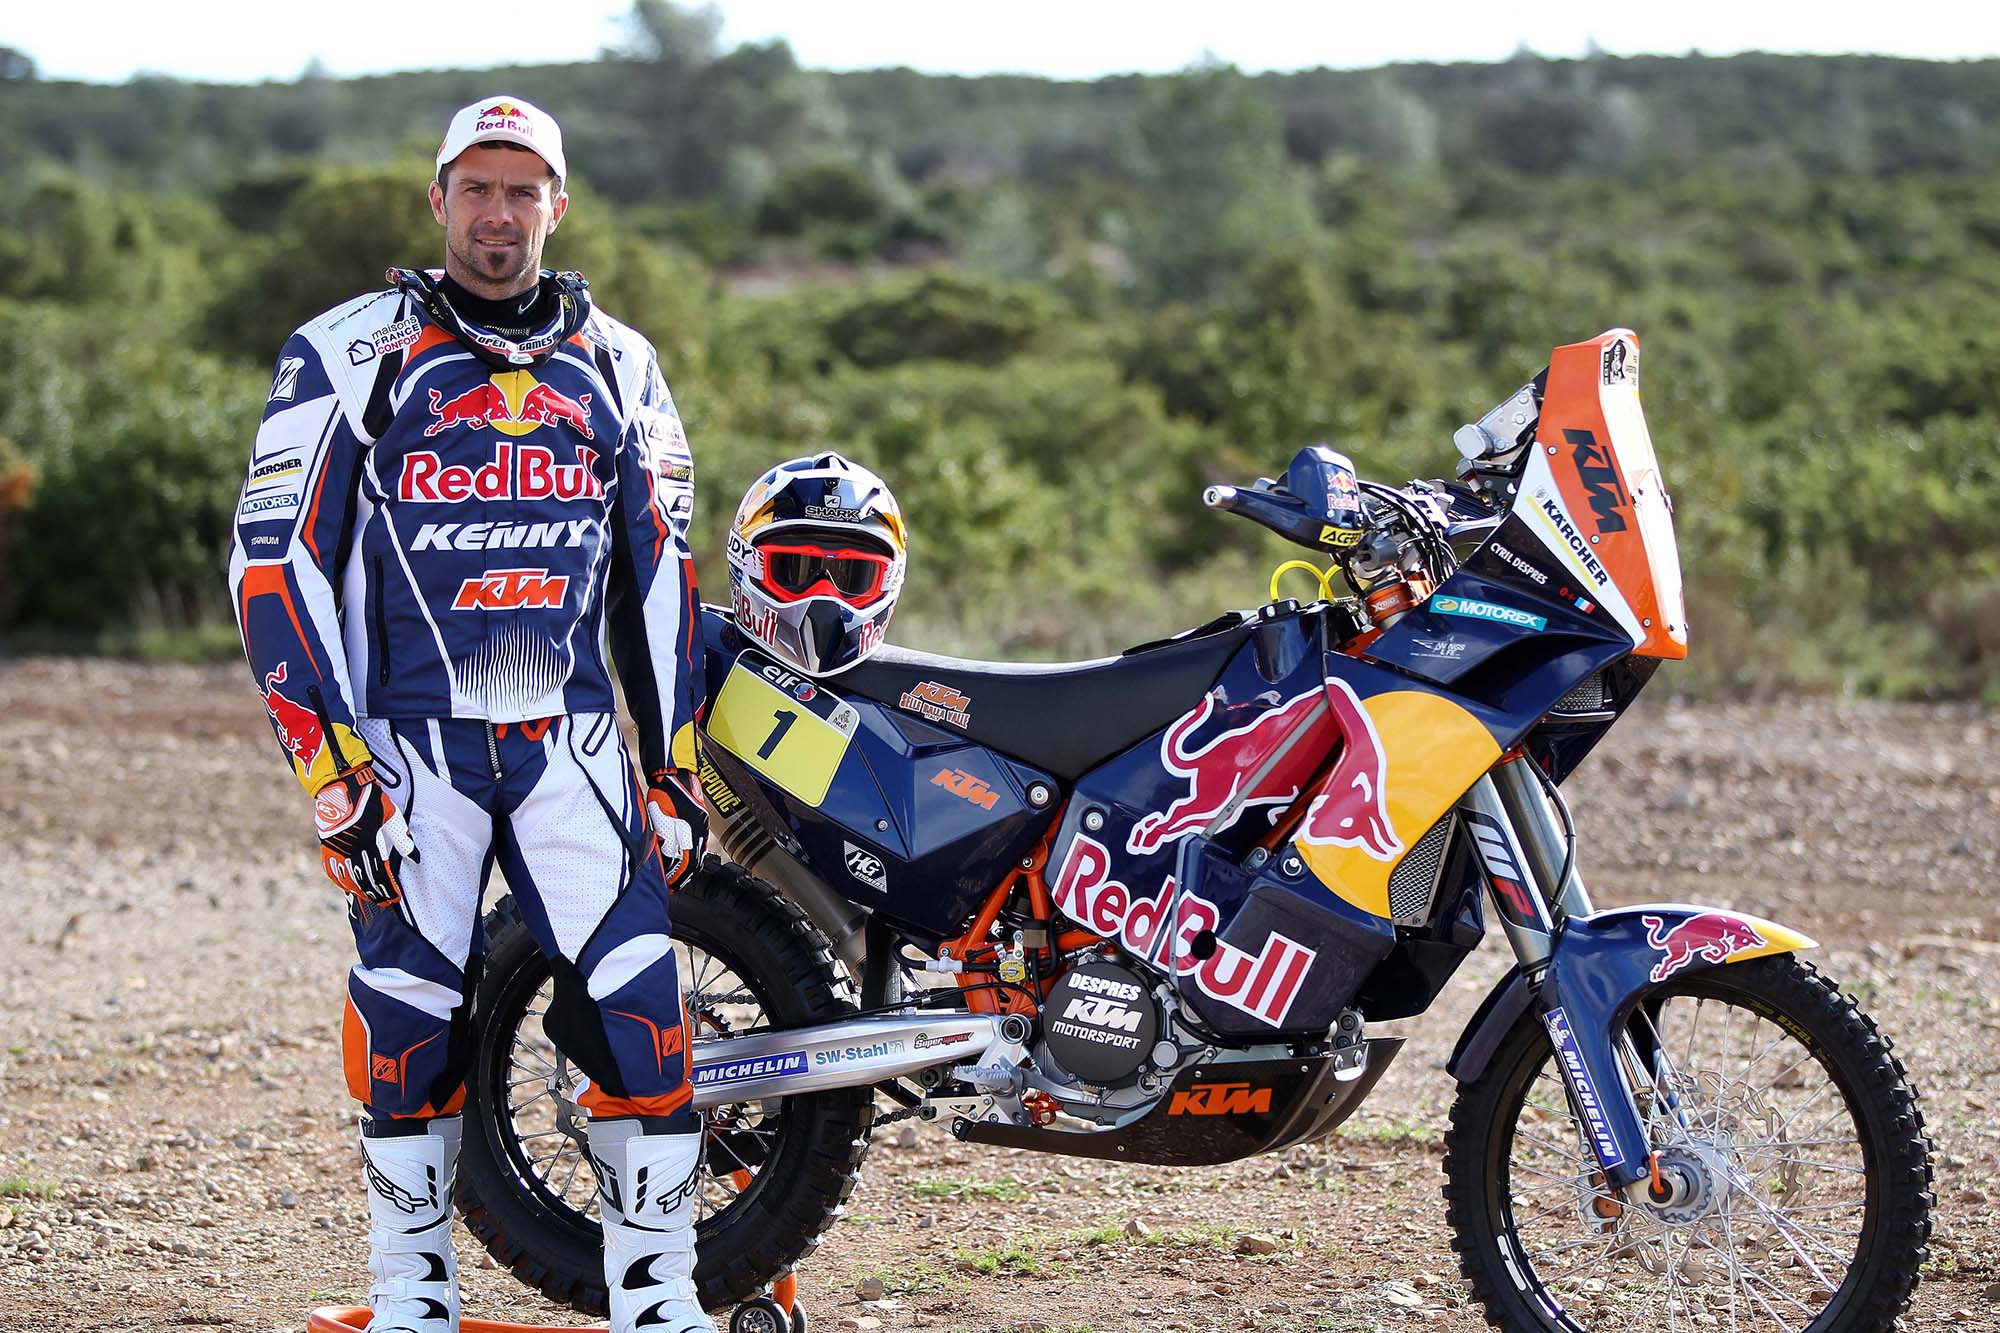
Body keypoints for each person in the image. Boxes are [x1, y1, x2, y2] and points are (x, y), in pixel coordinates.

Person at [226, 95, 711, 1333]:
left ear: (559, 204)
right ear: (438, 199)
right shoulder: (345, 350)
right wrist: (331, 771)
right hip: (406, 749)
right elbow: (270, 565)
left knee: (645, 1011)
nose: (499, 213)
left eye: (522, 190)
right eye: (477, 188)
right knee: (405, 1019)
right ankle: (410, 1297)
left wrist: (676, 767)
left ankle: (658, 1298)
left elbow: (661, 573)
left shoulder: (624, 363)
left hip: (569, 745)